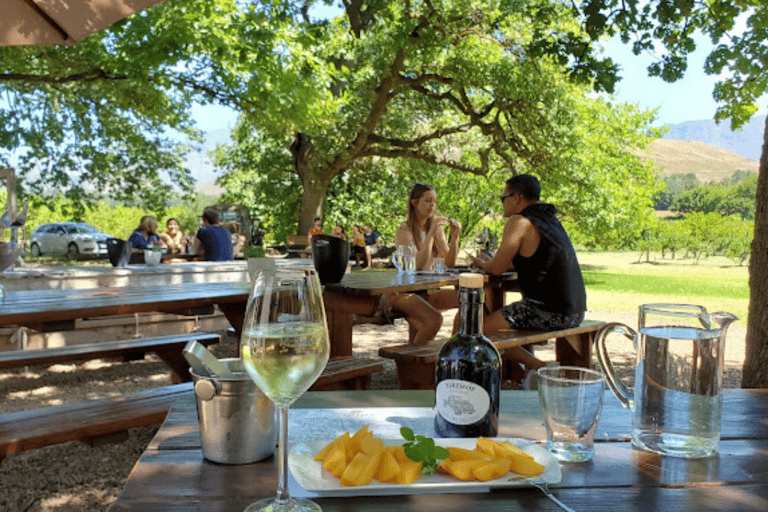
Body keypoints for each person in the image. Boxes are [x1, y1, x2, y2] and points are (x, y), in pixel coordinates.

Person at [472, 174, 587, 382]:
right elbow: (532, 259)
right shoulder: (549, 220)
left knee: (475, 329)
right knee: (495, 323)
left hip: (546, 311)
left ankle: (540, 368)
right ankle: (526, 371)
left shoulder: (519, 221)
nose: (502, 203)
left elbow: (497, 268)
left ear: (516, 197)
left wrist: (483, 264)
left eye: (503, 197)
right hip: (575, 312)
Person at [385, 183, 463, 345]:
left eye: (434, 202)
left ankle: (454, 348)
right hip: (401, 292)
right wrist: (431, 234)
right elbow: (417, 266)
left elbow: (449, 263)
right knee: (434, 320)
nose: (432, 206)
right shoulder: (404, 230)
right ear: (414, 203)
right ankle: (414, 365)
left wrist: (455, 237)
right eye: (427, 201)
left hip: (426, 291)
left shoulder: (436, 228)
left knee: (468, 300)